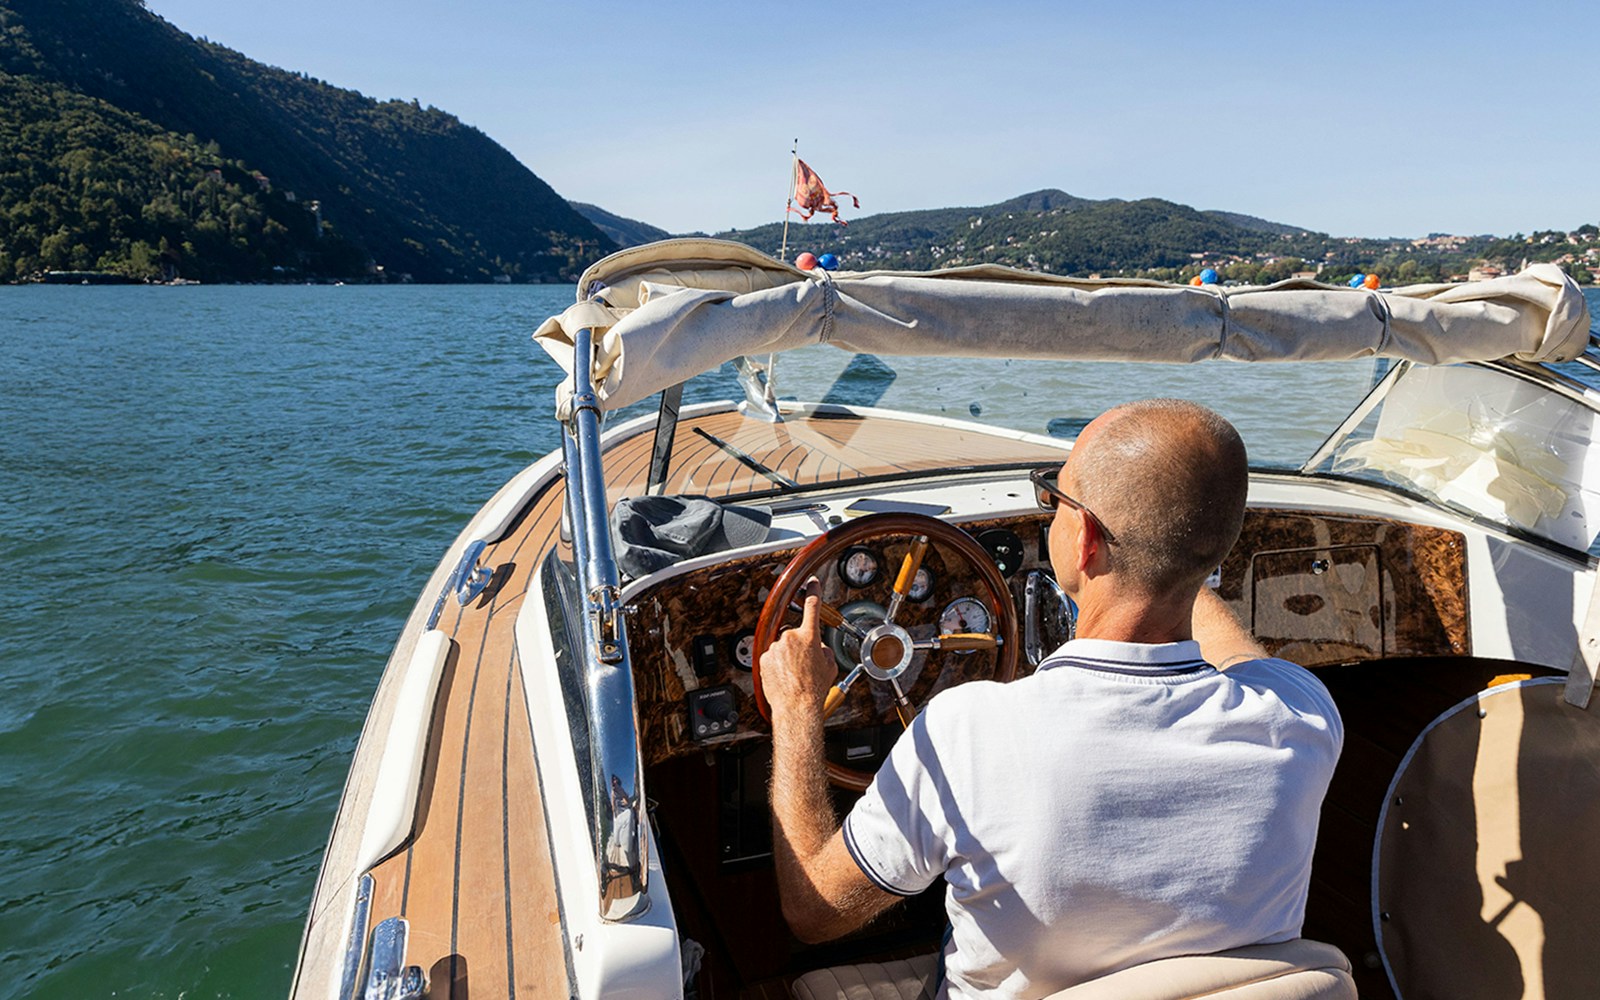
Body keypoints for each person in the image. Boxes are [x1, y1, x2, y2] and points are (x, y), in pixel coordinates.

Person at [760, 399, 1344, 999]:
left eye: (1055, 498)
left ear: (1084, 538)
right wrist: (1177, 560)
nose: (1049, 512)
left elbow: (814, 910)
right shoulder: (1299, 713)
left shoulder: (966, 733)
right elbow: (1238, 653)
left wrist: (799, 705)